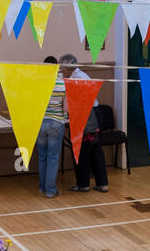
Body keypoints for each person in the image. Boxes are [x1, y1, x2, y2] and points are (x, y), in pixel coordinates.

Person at [68, 57, 109, 194]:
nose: (61, 70)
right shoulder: (80, 75)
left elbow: (81, 100)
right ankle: (102, 183)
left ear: (68, 66)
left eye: (62, 67)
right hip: (92, 116)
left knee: (82, 152)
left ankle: (83, 184)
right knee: (96, 152)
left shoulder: (77, 78)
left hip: (86, 117)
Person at [36, 55, 67, 198]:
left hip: (41, 122)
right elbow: (66, 108)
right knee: (53, 158)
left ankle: (42, 187)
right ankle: (50, 190)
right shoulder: (63, 83)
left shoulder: (39, 82)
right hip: (56, 122)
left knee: (42, 156)